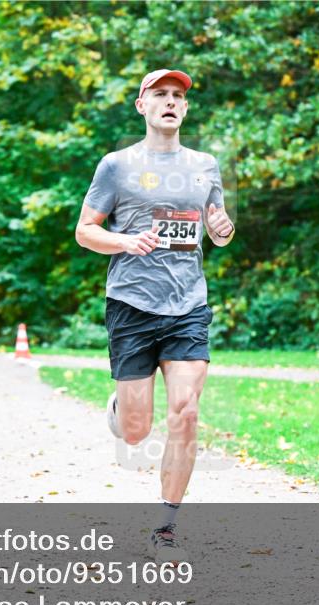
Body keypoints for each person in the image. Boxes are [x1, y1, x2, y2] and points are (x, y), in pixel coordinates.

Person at [74, 68, 236, 565]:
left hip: (188, 304)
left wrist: (224, 229)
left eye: (177, 97)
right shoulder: (116, 166)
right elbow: (85, 231)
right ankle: (123, 409)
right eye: (160, 94)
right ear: (142, 106)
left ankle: (165, 528)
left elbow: (218, 230)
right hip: (131, 305)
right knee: (138, 430)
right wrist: (125, 241)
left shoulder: (205, 166)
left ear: (185, 110)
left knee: (186, 412)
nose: (170, 102)